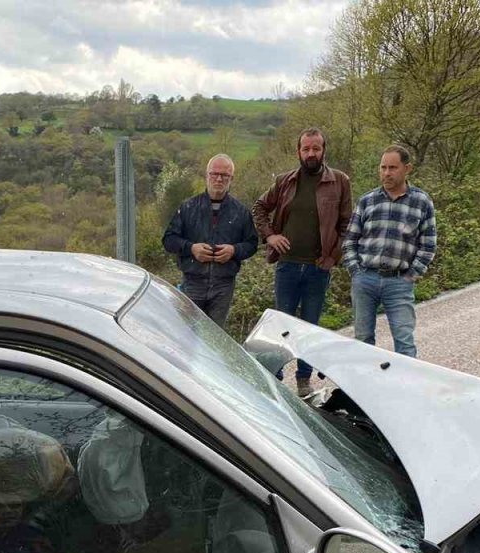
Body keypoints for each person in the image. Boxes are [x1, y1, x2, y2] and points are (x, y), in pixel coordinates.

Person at [253, 128, 353, 395]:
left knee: (309, 326)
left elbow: (347, 225)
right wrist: (271, 236)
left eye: (316, 148)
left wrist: (333, 256)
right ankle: (274, 379)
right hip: (286, 265)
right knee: (282, 328)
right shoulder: (285, 181)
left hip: (317, 268)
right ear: (298, 151)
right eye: (306, 148)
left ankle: (303, 381)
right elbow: (259, 208)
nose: (311, 153)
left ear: (324, 150)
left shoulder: (340, 181)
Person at [341, 145, 437, 358]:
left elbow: (428, 244)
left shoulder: (421, 201)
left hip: (399, 282)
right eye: (383, 167)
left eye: (392, 167)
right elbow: (350, 240)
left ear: (407, 168)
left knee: (404, 342)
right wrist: (355, 272)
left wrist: (411, 275)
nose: (387, 173)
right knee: (363, 340)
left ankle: (404, 389)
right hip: (365, 279)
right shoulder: (367, 201)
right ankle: (365, 388)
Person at [161, 154, 260, 327]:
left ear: (231, 178)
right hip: (192, 282)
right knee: (188, 334)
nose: (219, 179)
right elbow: (169, 240)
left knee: (215, 338)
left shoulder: (241, 212)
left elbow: (252, 244)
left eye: (225, 175)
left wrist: (234, 251)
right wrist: (191, 248)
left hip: (224, 286)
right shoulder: (188, 207)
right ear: (207, 175)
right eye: (214, 174)